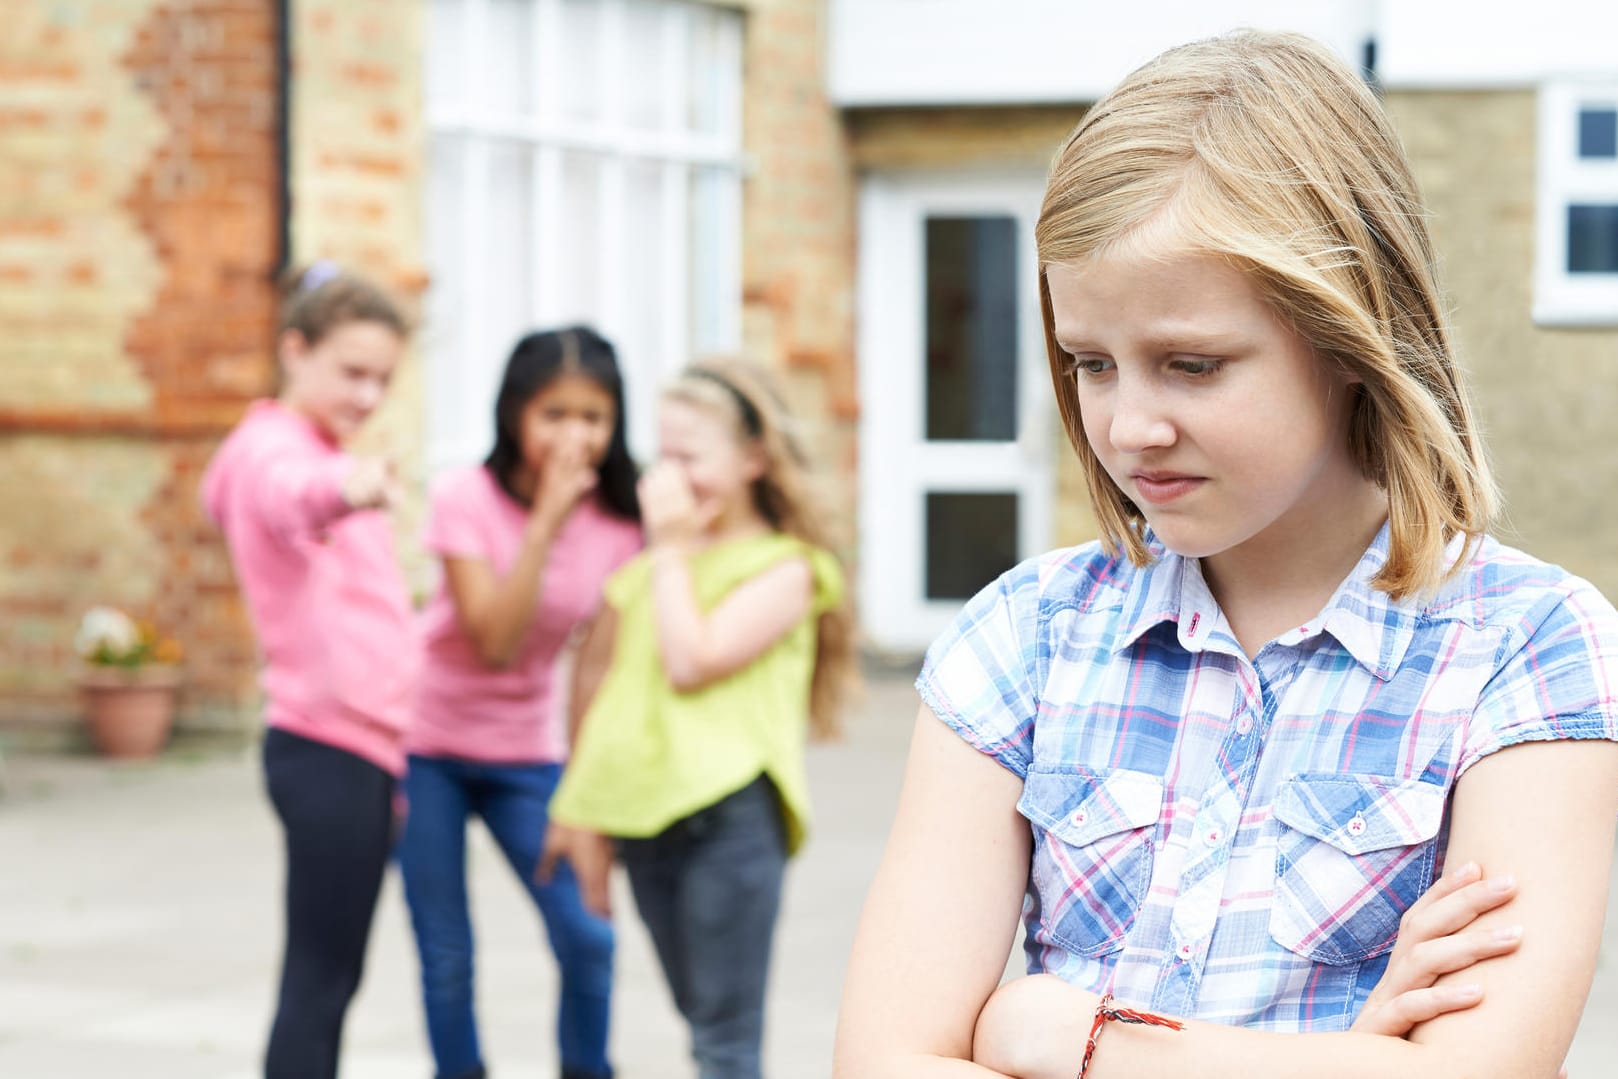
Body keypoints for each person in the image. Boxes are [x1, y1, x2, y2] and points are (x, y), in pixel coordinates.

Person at [832, 30, 1618, 1079]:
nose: (1128, 425)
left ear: (1350, 334)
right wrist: (1337, 1058)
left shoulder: (1528, 646)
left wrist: (1067, 1033)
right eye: (1091, 363)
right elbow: (882, 1061)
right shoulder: (1022, 638)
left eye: (1191, 364)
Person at [540, 359, 858, 1079]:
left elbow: (693, 658)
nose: (672, 479)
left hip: (730, 819)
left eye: (691, 457)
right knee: (697, 1014)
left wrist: (673, 550)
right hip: (645, 821)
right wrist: (578, 810)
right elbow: (601, 685)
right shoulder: (652, 566)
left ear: (753, 459)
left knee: (723, 1037)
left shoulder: (788, 568)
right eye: (664, 457)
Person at [397, 326, 642, 1079]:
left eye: (593, 417)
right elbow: (496, 640)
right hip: (425, 745)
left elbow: (598, 667)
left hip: (529, 751)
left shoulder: (621, 523)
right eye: (554, 415)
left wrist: (588, 796)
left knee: (588, 934)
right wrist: (544, 524)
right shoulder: (463, 498)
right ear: (514, 416)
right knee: (447, 952)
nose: (575, 435)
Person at [201, 261, 417, 1079]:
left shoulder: (320, 444)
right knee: (320, 981)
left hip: (366, 749)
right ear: (296, 349)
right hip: (325, 746)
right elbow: (290, 491)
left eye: (384, 379)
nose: (368, 395)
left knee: (331, 976)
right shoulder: (277, 450)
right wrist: (348, 485)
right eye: (351, 371)